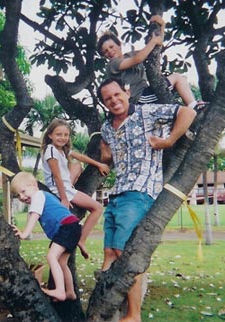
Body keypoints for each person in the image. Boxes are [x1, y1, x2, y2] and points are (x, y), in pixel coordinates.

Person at [97, 78, 196, 322]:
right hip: (117, 192)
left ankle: (134, 314)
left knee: (125, 252)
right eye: (108, 98)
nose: (114, 100)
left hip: (140, 192)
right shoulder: (107, 127)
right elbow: (106, 149)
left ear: (127, 92)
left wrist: (168, 140)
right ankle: (104, 307)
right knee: (109, 252)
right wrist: (103, 156)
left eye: (117, 94)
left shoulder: (148, 112)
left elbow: (187, 112)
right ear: (104, 103)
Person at [97, 15, 203, 110]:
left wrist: (161, 26)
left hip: (146, 93)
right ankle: (193, 106)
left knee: (178, 90)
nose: (109, 51)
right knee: (177, 78)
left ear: (119, 45)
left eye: (111, 47)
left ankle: (190, 107)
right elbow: (138, 59)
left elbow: (154, 50)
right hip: (139, 98)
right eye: (105, 51)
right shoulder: (112, 65)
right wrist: (153, 41)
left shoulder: (130, 55)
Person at [41, 119, 110, 259]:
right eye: (58, 134)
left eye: (66, 135)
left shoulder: (61, 150)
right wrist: (65, 199)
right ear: (50, 135)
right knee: (97, 208)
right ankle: (82, 239)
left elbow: (79, 156)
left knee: (77, 165)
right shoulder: (51, 152)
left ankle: (80, 239)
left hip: (66, 187)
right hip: (62, 190)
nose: (63, 138)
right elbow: (57, 177)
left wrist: (98, 164)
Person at [11, 171, 82, 302]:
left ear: (33, 185)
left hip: (66, 227)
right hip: (72, 227)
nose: (21, 197)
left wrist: (24, 233)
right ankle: (70, 292)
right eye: (17, 195)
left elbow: (34, 216)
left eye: (23, 191)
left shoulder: (38, 195)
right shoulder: (46, 197)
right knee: (61, 262)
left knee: (51, 256)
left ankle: (60, 291)